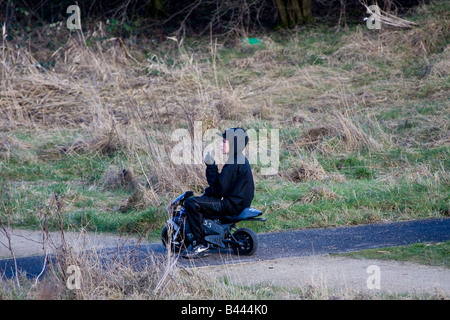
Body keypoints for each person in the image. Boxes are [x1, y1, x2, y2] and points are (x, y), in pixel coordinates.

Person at [182, 127, 255, 259]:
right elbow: (223, 186)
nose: (221, 144)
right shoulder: (239, 159)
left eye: (224, 141)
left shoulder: (234, 162)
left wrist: (211, 166)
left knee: (191, 203)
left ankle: (200, 245)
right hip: (237, 202)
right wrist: (208, 192)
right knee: (203, 198)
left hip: (231, 204)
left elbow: (219, 189)